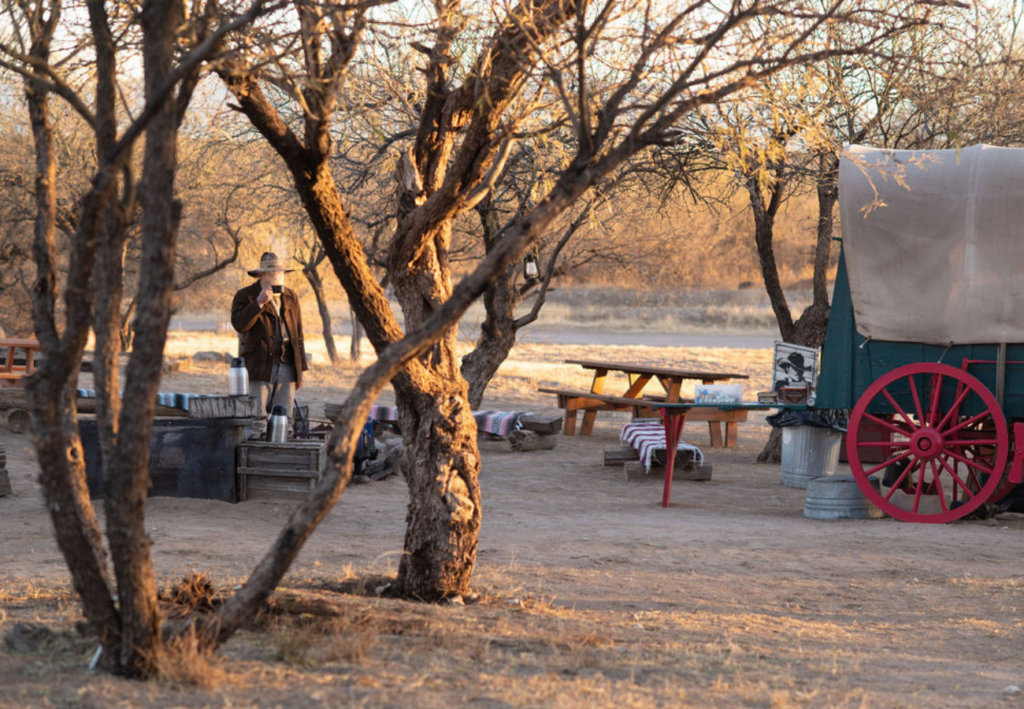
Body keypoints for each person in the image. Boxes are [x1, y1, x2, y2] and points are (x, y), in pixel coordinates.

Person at [231, 252, 307, 431]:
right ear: (262, 275)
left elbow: (298, 334)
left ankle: (281, 454)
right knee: (257, 419)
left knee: (285, 419)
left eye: (281, 273)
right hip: (259, 363)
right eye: (273, 273)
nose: (278, 276)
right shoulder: (246, 295)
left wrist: (300, 369)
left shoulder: (290, 296)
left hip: (287, 363)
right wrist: (259, 303)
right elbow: (240, 325)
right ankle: (255, 456)